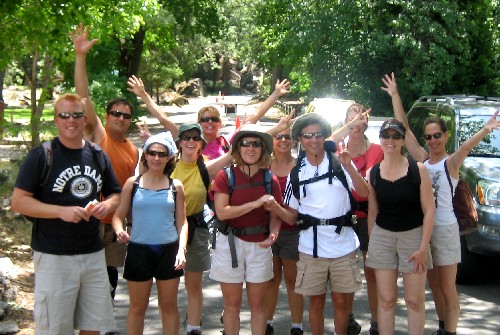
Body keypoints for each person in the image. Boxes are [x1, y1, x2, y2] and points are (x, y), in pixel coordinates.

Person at [382, 72, 500, 335]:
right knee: (434, 286)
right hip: (425, 232)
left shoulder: (451, 164)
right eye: (429, 137)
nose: (433, 141)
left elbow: (466, 148)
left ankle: (451, 331)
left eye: (437, 135)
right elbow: (404, 127)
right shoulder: (423, 160)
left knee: (448, 288)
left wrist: (485, 129)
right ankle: (443, 326)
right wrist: (395, 95)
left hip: (445, 230)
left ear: (445, 136)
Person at [11, 93, 121, 335]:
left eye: (77, 115)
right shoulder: (42, 155)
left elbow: (116, 194)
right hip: (54, 256)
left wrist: (107, 206)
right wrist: (61, 211)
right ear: (56, 120)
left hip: (93, 253)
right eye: (64, 115)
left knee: (94, 326)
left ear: (84, 120)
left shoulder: (97, 154)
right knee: (55, 329)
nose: (71, 120)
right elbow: (19, 202)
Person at [273, 112, 369, 335]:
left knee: (341, 301)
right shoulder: (296, 173)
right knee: (315, 302)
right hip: (310, 247)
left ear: (325, 136)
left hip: (343, 245)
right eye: (307, 136)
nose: (313, 140)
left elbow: (364, 192)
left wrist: (351, 167)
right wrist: (274, 207)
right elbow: (291, 216)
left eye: (317, 135)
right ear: (300, 140)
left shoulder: (340, 162)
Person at [70, 23, 139, 308]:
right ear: (107, 116)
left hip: (112, 224)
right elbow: (83, 97)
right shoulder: (98, 135)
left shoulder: (133, 150)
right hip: (88, 220)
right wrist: (80, 56)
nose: (120, 118)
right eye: (115, 113)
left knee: (108, 278)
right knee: (84, 278)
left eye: (125, 115)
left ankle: (103, 323)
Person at [210, 124, 284, 335]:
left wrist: (274, 233)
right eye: (245, 144)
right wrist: (255, 203)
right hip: (230, 244)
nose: (250, 149)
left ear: (263, 150)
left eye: (256, 144)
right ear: (237, 148)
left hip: (259, 245)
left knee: (258, 306)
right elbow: (222, 212)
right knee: (232, 305)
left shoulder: (270, 179)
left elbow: (275, 216)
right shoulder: (226, 177)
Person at [112, 131, 188, 335]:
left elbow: (182, 222)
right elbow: (118, 216)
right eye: (152, 152)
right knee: (137, 308)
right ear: (145, 155)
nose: (156, 158)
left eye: (162, 154)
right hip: (139, 250)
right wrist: (119, 231)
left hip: (168, 250)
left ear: (169, 157)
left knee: (169, 306)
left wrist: (181, 250)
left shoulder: (176, 186)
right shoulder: (133, 184)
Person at [365, 118, 435, 335]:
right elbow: (373, 211)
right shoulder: (373, 173)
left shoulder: (418, 169)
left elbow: (429, 210)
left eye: (396, 136)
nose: (391, 140)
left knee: (414, 301)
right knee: (386, 300)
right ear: (380, 139)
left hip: (413, 237)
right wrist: (372, 244)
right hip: (383, 237)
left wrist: (423, 248)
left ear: (403, 141)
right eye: (386, 136)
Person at [127, 75, 291, 160]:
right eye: (205, 120)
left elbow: (254, 117)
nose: (209, 122)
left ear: (220, 124)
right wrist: (143, 94)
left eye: (213, 119)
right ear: (199, 123)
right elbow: (163, 119)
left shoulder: (227, 142)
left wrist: (275, 94)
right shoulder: (188, 140)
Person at [171, 123, 233, 335]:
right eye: (186, 137)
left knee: (193, 285)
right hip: (167, 230)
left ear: (201, 144)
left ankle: (193, 328)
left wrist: (276, 128)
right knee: (167, 285)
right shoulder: (167, 166)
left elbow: (235, 152)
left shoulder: (204, 168)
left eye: (195, 138)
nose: (190, 141)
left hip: (196, 229)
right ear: (179, 143)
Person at [330, 104, 384, 335]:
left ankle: (376, 321)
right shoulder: (336, 149)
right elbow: (326, 142)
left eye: (362, 120)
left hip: (369, 215)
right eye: (352, 120)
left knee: (371, 270)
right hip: (343, 215)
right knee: (346, 271)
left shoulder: (377, 151)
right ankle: (348, 318)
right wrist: (348, 125)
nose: (357, 124)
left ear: (367, 124)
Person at [263, 113, 305, 335]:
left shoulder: (300, 166)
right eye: (278, 136)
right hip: (265, 231)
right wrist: (275, 128)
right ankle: (267, 323)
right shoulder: (263, 164)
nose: (283, 140)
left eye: (287, 137)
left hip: (293, 231)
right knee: (270, 279)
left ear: (294, 141)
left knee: (292, 280)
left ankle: (296, 326)